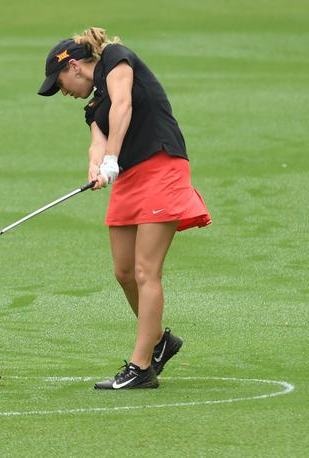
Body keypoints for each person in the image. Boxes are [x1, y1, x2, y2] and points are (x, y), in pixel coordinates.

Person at [38, 27, 211, 389]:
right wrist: (96, 166)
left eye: (61, 83)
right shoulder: (92, 105)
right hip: (130, 179)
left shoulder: (117, 60)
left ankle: (140, 366)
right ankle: (160, 341)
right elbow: (97, 141)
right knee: (124, 272)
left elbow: (124, 105)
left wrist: (112, 158)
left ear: (74, 66)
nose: (63, 92)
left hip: (161, 165)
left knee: (147, 271)